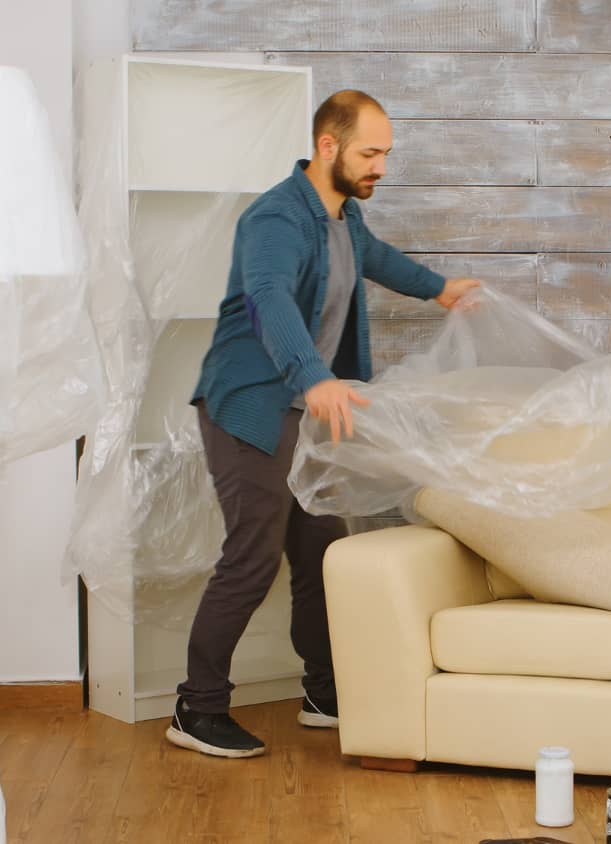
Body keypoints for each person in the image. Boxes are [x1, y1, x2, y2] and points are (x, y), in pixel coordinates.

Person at [168, 89, 481, 758]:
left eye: (386, 155)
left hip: (306, 412)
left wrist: (441, 288)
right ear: (328, 147)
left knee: (318, 551)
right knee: (252, 557)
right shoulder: (276, 218)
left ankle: (321, 692)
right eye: (371, 153)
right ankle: (197, 708)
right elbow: (269, 298)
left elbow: (378, 260)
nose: (382, 168)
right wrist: (312, 376)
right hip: (251, 409)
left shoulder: (342, 219)